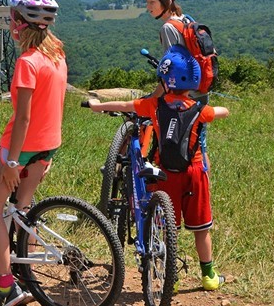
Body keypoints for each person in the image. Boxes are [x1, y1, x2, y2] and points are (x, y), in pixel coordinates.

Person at [87, 45, 230, 291]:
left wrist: (96, 105)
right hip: (195, 172)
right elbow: (223, 111)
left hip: (165, 174)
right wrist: (215, 111)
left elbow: (124, 106)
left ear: (165, 80)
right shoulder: (199, 110)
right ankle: (209, 276)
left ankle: (168, 278)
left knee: (165, 227)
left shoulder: (153, 105)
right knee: (201, 227)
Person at [0, 0, 68, 306]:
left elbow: (23, 118)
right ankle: (29, 282)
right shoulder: (57, 56)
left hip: (21, 148)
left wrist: (11, 161)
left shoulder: (27, 62)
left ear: (19, 22)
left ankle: (6, 287)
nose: (10, 22)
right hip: (48, 146)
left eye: (12, 17)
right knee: (23, 212)